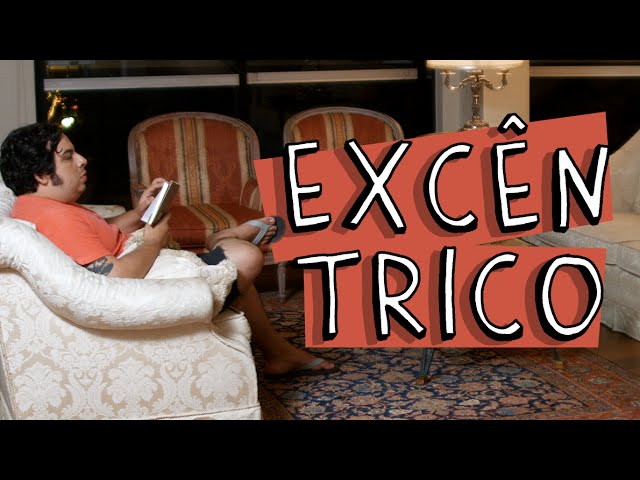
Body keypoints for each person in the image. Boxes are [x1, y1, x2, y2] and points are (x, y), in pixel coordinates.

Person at [0, 122, 336, 377]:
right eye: (68, 157)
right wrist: (152, 240)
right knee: (246, 258)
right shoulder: (56, 218)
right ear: (41, 174)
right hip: (151, 284)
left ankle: (279, 353)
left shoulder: (41, 206)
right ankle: (223, 238)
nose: (82, 160)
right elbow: (114, 279)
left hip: (149, 262)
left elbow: (101, 230)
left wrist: (140, 212)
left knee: (240, 280)